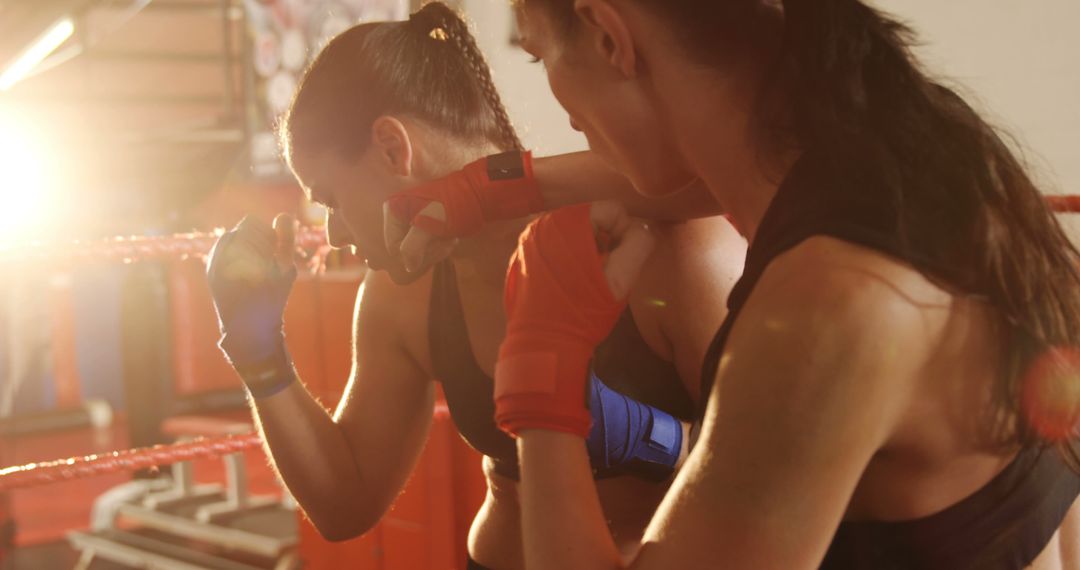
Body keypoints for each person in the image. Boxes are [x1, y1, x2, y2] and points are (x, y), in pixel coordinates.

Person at [388, 1, 1080, 568]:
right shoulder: (927, 152)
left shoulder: (828, 306)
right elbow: (692, 180)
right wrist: (496, 185)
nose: (559, 103)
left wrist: (542, 372)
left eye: (539, 55)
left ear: (607, 34)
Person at [204, 3, 742, 568]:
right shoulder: (402, 297)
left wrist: (650, 437)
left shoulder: (654, 250)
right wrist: (257, 353)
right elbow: (345, 505)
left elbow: (775, 468)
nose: (333, 233)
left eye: (332, 199)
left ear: (393, 147)